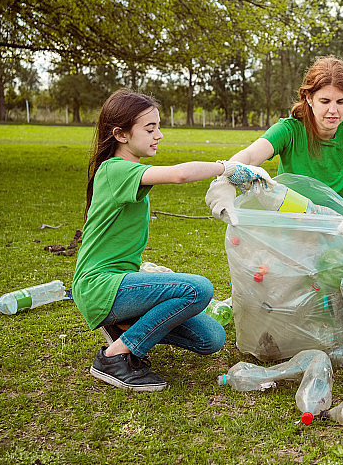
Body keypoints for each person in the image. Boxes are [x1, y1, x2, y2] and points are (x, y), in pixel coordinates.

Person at [73, 88, 265, 392]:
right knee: (198, 289)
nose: (158, 135)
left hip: (122, 283)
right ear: (120, 135)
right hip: (100, 286)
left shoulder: (128, 170)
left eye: (158, 127)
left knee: (211, 337)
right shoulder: (114, 169)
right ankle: (115, 357)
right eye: (150, 129)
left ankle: (123, 326)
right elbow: (179, 175)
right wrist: (227, 168)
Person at [205, 56, 343, 264]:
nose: (333, 110)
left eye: (341, 102)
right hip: (291, 231)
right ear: (309, 98)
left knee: (330, 295)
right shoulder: (290, 129)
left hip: (339, 232)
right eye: (325, 101)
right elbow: (250, 155)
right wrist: (228, 176)